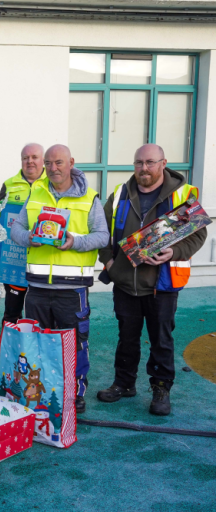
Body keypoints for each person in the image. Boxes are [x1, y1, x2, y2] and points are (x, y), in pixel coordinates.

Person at [96, 144, 205, 416]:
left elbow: (198, 234)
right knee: (127, 339)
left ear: (163, 163)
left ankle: (160, 389)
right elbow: (101, 230)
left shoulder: (182, 194)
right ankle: (124, 384)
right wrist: (110, 262)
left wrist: (174, 251)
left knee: (161, 340)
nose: (144, 168)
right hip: (125, 284)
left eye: (150, 162)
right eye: (139, 162)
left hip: (162, 284)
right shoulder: (120, 193)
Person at [10, 144, 109, 413]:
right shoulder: (36, 193)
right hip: (37, 287)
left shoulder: (89, 198)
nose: (53, 168)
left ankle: (75, 393)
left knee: (74, 343)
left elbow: (102, 236)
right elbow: (16, 228)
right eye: (50, 163)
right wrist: (27, 237)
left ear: (71, 163)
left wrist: (75, 242)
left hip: (72, 289)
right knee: (37, 343)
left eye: (59, 163)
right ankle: (40, 391)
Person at [0, 143, 47, 325]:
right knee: (12, 311)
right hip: (14, 259)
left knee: (40, 314)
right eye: (25, 158)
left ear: (43, 160)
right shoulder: (9, 184)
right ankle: (10, 352)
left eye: (34, 157)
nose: (30, 161)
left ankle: (35, 351)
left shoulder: (52, 184)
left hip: (42, 259)